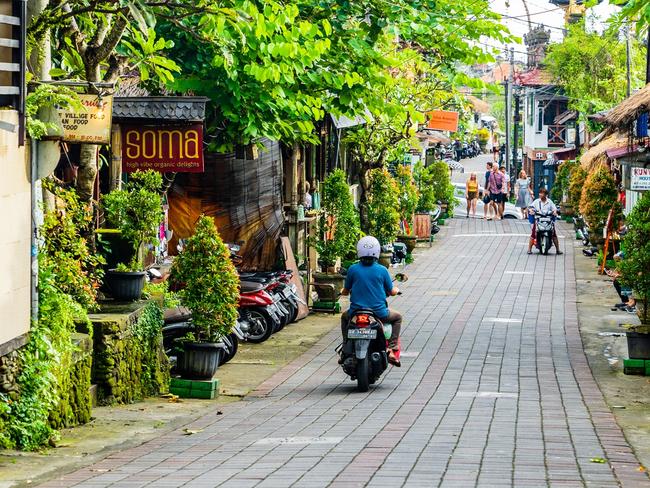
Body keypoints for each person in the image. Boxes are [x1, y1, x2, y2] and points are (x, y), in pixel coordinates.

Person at [340, 236, 402, 366]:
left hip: (356, 312)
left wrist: (342, 291)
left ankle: (345, 348)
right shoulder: (382, 270)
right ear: (377, 252)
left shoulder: (352, 269)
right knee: (397, 318)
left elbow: (345, 291)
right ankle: (391, 348)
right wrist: (396, 290)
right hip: (379, 313)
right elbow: (391, 291)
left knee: (344, 318)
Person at [527, 188, 562, 255]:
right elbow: (531, 207)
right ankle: (529, 249)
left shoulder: (550, 202)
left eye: (542, 193)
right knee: (533, 234)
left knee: (554, 234)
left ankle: (558, 250)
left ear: (546, 195)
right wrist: (531, 210)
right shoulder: (537, 201)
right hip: (539, 219)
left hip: (548, 220)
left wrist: (554, 212)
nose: (540, 194)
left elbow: (554, 209)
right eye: (540, 193)